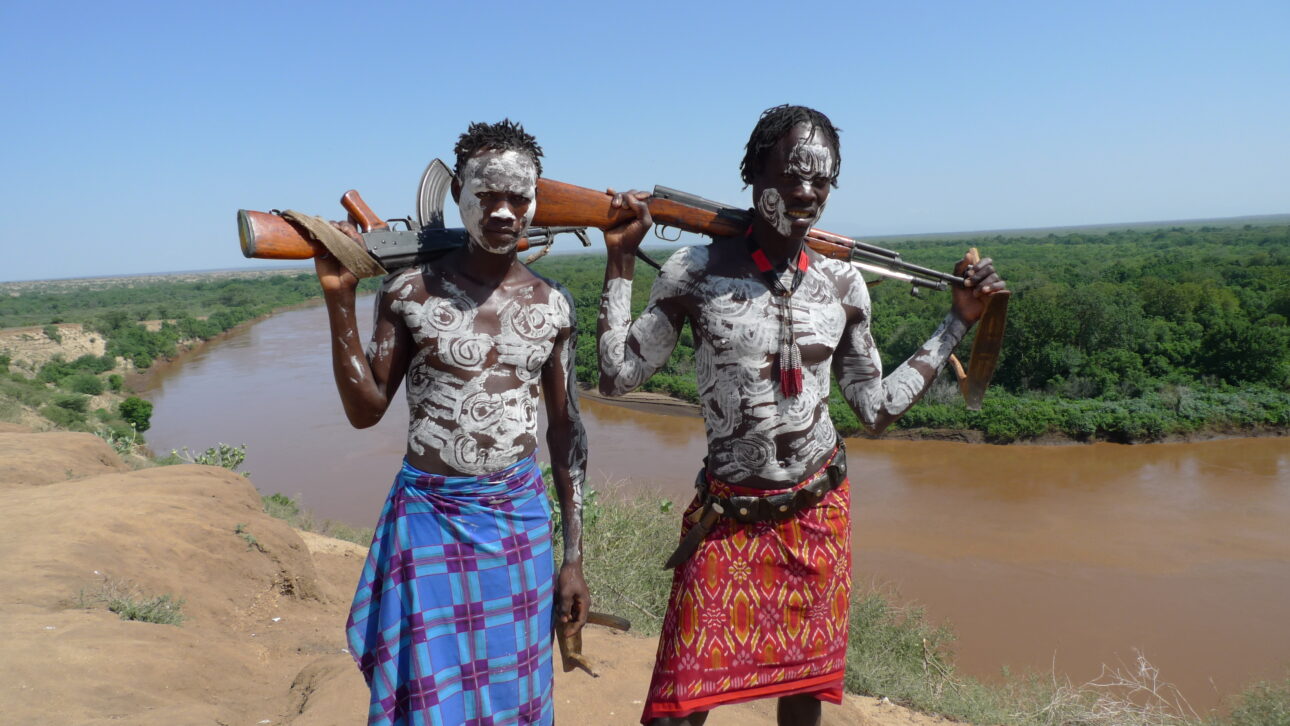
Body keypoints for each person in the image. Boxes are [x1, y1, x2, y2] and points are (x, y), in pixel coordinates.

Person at [597, 105, 1006, 726]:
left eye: (823, 181)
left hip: (817, 515)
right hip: (727, 518)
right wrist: (622, 261)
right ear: (754, 174)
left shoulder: (843, 283)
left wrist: (957, 322)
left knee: (804, 701)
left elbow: (874, 408)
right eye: (793, 175)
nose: (808, 192)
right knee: (679, 709)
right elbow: (617, 376)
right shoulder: (695, 270)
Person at [316, 119, 590, 726]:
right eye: (485, 195)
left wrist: (573, 557)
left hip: (518, 522)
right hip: (429, 519)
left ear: (535, 204)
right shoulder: (410, 292)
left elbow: (566, 432)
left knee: (517, 686)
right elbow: (366, 411)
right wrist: (339, 300)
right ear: (458, 196)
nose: (502, 211)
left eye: (517, 198)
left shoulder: (554, 305)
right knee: (425, 689)